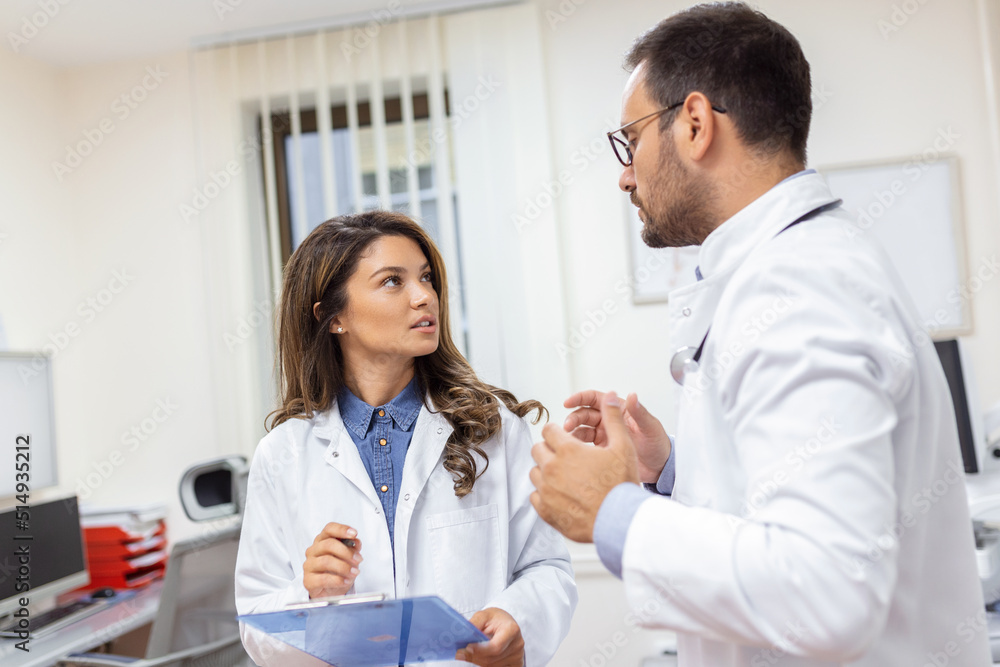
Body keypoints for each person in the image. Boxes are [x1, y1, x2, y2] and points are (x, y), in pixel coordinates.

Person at [529, 3, 991, 665]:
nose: (626, 174)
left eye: (631, 141)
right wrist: (677, 472)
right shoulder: (783, 270)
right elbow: (787, 510)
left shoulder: (800, 286)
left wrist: (613, 512)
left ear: (694, 123)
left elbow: (827, 591)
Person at [235, 211, 577, 667]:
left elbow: (546, 568)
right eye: (393, 281)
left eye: (426, 278)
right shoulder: (283, 455)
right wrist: (310, 593)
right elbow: (256, 621)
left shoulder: (491, 431)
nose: (424, 297)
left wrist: (516, 618)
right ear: (333, 317)